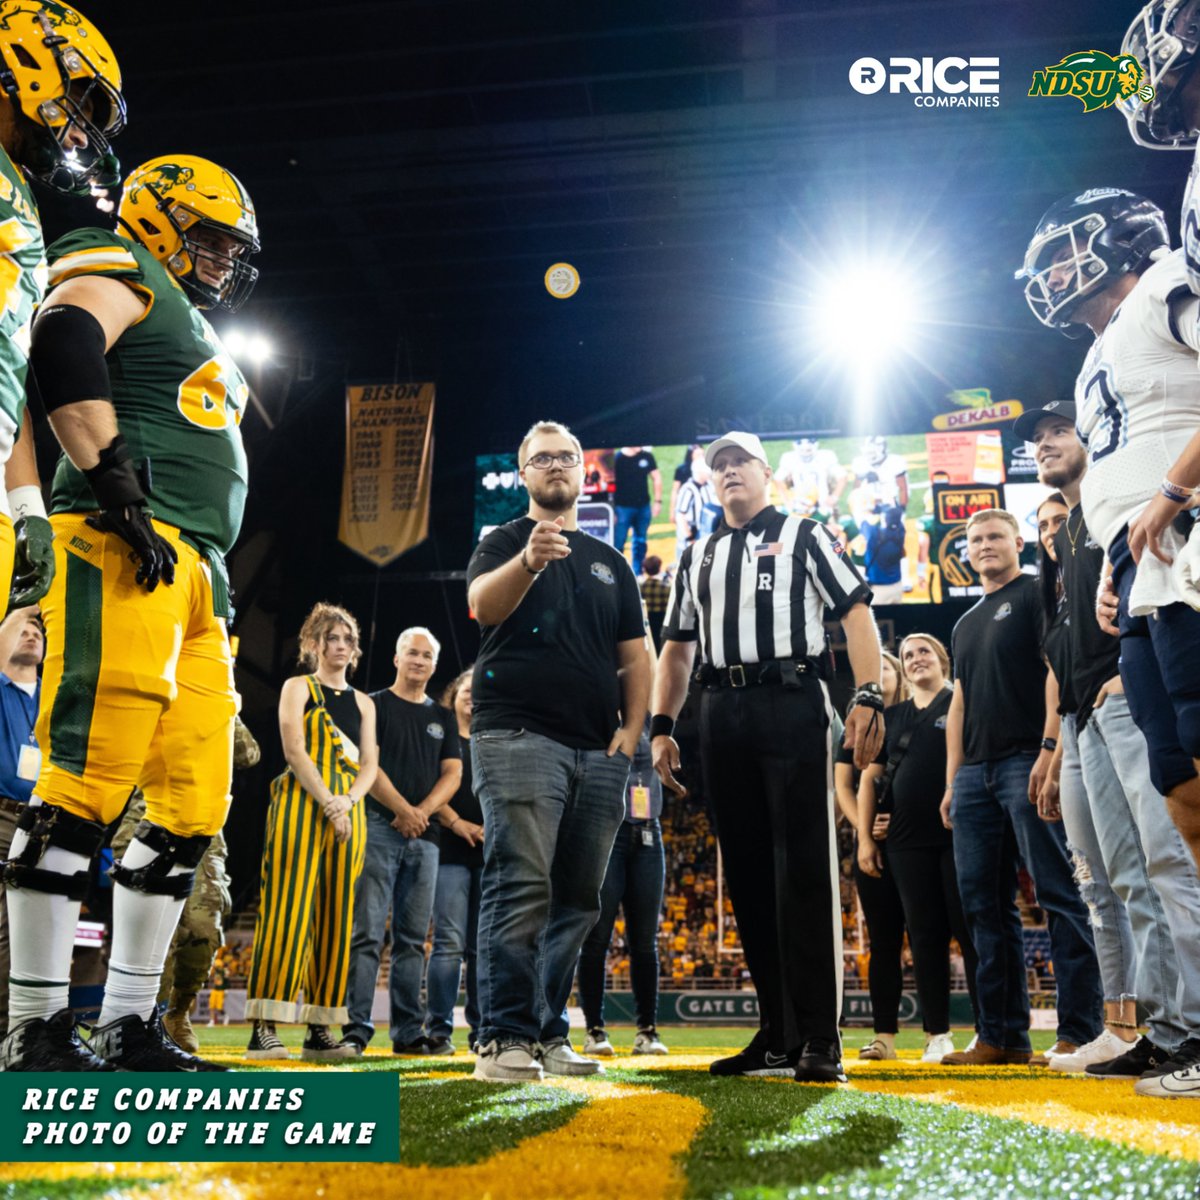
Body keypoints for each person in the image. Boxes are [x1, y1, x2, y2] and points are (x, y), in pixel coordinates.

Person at [0, 153, 262, 1073]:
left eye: (236, 248)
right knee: (86, 780)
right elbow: (65, 338)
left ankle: (130, 1020)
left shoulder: (187, 313)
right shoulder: (116, 259)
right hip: (119, 547)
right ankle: (33, 1025)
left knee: (194, 802)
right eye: (213, 238)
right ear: (158, 218)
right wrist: (115, 484)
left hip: (197, 570)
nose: (225, 261)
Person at [1020, 187, 1200, 1098]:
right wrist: (1106, 567)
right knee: (1181, 795)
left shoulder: (1171, 277)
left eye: (1063, 253)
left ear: (1118, 240)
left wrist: (1172, 495)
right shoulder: (1103, 347)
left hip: (1189, 546)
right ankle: (1186, 1032)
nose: (1050, 275)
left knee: (1187, 803)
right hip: (1140, 577)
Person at [651, 431, 885, 1084]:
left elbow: (856, 611)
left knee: (803, 869)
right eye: (717, 466)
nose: (728, 473)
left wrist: (868, 694)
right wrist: (663, 725)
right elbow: (677, 647)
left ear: (766, 473)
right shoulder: (695, 555)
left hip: (793, 698)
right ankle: (777, 1035)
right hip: (719, 712)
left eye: (739, 464)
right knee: (748, 879)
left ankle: (820, 1037)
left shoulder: (805, 534)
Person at [467, 419, 651, 1082]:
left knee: (577, 900)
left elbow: (636, 658)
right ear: (524, 474)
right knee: (521, 882)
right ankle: (501, 1036)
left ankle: (547, 1033)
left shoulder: (612, 561)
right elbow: (482, 608)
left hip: (598, 751)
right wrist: (529, 561)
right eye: (541, 457)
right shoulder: (503, 541)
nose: (555, 466)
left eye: (566, 457)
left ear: (583, 470)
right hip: (517, 735)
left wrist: (632, 735)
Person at [939, 508, 1103, 1066]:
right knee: (983, 908)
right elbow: (958, 704)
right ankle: (1001, 1036)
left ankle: (1079, 1031)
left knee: (1059, 893)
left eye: (994, 536)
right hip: (974, 777)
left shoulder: (1038, 594)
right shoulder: (962, 625)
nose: (984, 545)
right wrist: (951, 780)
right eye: (975, 539)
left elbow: (1057, 667)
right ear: (966, 551)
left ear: (1017, 542)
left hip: (1025, 761)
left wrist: (1050, 750)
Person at [0, 2, 127, 631]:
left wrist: (27, 506)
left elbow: (6, 371)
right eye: (75, 109)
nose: (78, 137)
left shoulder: (18, 192)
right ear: (23, 69)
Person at [246, 604, 377, 1062]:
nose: (340, 646)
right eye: (332, 638)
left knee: (339, 916)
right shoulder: (296, 687)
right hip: (303, 801)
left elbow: (370, 766)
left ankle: (322, 1029)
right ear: (314, 644)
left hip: (349, 809)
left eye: (347, 639)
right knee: (287, 907)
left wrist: (349, 802)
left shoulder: (365, 702)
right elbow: (294, 750)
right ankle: (263, 1027)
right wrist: (328, 802)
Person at [858, 634, 980, 1064]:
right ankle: (937, 1034)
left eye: (923, 651)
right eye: (907, 655)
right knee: (925, 936)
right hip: (907, 843)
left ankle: (987, 1030)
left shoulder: (961, 702)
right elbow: (869, 779)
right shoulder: (893, 717)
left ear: (943, 658)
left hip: (957, 833)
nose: (915, 659)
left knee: (969, 932)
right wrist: (866, 837)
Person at [109, 714, 260, 1053]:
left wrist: (227, 711)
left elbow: (249, 754)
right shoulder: (155, 688)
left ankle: (177, 1014)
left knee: (203, 930)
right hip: (148, 818)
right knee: (154, 933)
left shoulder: (216, 699)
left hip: (204, 825)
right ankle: (146, 1018)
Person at [343, 627, 461, 1055]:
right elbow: (365, 763)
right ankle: (356, 1029)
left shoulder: (442, 717)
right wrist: (402, 810)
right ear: (396, 658)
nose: (419, 661)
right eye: (412, 652)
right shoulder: (372, 705)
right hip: (378, 828)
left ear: (433, 665)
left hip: (426, 838)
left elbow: (453, 774)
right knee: (367, 934)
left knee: (413, 940)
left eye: (427, 656)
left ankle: (408, 1033)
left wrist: (423, 813)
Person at [833, 651, 909, 1062]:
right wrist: (864, 831)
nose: (877, 675)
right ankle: (884, 1036)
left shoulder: (920, 715)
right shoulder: (855, 725)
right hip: (873, 845)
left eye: (885, 668)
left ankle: (941, 1033)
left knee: (929, 937)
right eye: (871, 669)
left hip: (918, 837)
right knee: (883, 943)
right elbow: (843, 785)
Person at [579, 719, 668, 1058]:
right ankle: (594, 1030)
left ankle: (647, 1030)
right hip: (606, 829)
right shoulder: (596, 711)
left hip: (648, 831)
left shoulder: (649, 716)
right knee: (597, 937)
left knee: (645, 942)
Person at [424, 667, 484, 1055]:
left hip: (487, 850)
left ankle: (483, 1031)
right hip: (448, 848)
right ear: (455, 692)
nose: (471, 695)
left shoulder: (492, 740)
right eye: (466, 687)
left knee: (483, 947)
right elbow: (431, 788)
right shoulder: (441, 737)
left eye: (480, 690)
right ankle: (439, 1030)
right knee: (448, 942)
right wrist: (458, 822)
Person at [0, 606, 41, 1042]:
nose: (31, 634)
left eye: (36, 631)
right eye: (22, 630)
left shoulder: (56, 695)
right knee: (4, 930)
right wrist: (25, 606)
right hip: (2, 816)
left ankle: (30, 1030)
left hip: (46, 821)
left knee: (39, 934)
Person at [613, 447, 662, 576]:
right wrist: (612, 509)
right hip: (622, 508)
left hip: (643, 507)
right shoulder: (617, 459)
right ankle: (618, 573)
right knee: (619, 542)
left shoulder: (646, 456)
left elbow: (656, 477)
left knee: (640, 541)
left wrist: (657, 502)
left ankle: (637, 573)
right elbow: (610, 483)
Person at [775, 438, 846, 517]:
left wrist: (834, 497)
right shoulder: (789, 458)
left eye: (808, 450)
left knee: (826, 523)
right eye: (803, 450)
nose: (805, 452)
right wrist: (787, 501)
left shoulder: (826, 456)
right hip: (800, 504)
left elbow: (842, 477)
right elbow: (778, 479)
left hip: (822, 503)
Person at [639, 555, 671, 652]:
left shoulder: (640, 587)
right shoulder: (667, 588)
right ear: (659, 568)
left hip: (647, 622)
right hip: (662, 621)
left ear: (645, 569)